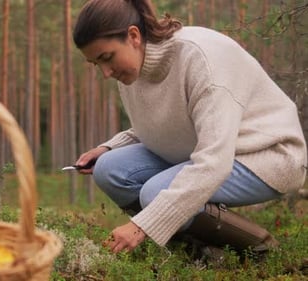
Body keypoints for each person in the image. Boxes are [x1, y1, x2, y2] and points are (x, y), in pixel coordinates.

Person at [72, 0, 307, 256]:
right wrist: (108, 147)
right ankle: (198, 248)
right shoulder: (131, 71)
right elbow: (158, 126)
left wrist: (141, 226)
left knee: (156, 192)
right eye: (96, 64)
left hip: (267, 154)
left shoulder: (201, 61)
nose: (105, 72)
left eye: (107, 58)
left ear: (133, 36)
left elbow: (213, 162)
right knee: (109, 168)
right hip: (205, 149)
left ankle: (259, 247)